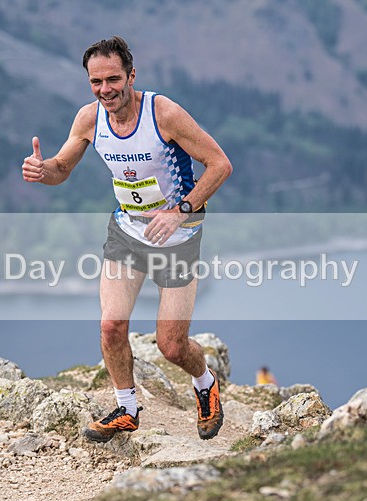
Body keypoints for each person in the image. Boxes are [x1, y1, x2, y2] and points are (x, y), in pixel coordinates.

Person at [22, 36, 232, 442]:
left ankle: (205, 383)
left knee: (171, 346)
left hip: (177, 236)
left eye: (113, 79)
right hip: (127, 232)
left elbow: (219, 164)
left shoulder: (164, 114)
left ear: (131, 76)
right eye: (96, 82)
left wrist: (180, 210)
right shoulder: (89, 119)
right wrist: (42, 171)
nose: (105, 90)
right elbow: (62, 167)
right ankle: (127, 409)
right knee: (111, 326)